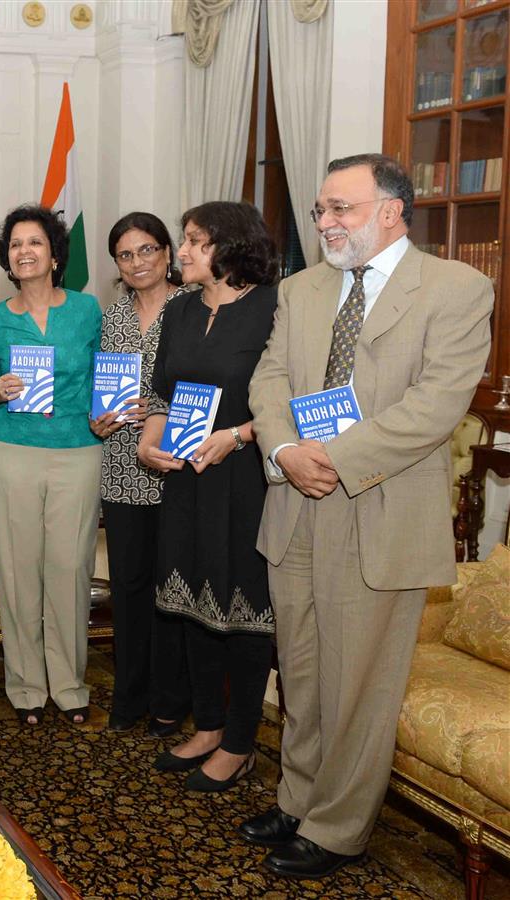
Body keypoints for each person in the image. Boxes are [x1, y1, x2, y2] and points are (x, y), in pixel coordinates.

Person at [243, 154, 493, 878]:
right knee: (305, 670)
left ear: (390, 210)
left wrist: (337, 459)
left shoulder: (456, 288)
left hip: (379, 504)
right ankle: (297, 799)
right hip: (295, 502)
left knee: (361, 681)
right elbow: (271, 377)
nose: (324, 222)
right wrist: (288, 448)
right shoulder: (300, 288)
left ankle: (338, 828)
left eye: (340, 208)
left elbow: (437, 404)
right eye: (320, 210)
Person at [136, 201, 278, 793]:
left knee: (243, 608)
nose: (183, 251)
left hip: (245, 478)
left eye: (194, 241)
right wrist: (149, 439)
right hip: (186, 479)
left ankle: (241, 742)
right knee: (191, 598)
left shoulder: (275, 307)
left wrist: (240, 435)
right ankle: (209, 725)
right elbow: (163, 391)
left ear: (230, 247)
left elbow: (290, 397)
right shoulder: (181, 309)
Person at [0, 204, 102, 728]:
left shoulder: (89, 310)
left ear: (54, 254)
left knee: (71, 571)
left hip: (78, 449)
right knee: (17, 572)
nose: (24, 252)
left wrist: (112, 412)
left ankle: (71, 685)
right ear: (7, 259)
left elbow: (108, 376)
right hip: (10, 451)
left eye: (34, 243)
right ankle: (27, 686)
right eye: (15, 245)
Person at [90, 212, 193, 735]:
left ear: (168, 253)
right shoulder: (112, 317)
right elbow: (99, 390)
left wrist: (155, 406)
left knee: (170, 589)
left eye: (147, 250)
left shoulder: (193, 307)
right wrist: (99, 417)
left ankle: (169, 700)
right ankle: (128, 698)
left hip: (177, 467)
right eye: (126, 255)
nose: (137, 262)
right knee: (128, 588)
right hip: (122, 469)